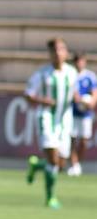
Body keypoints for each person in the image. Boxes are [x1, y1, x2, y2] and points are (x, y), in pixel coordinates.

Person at [24, 37, 80, 209]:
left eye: (61, 49)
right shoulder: (42, 74)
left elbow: (74, 94)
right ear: (49, 54)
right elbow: (28, 95)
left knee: (60, 164)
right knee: (54, 161)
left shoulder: (72, 72)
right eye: (54, 50)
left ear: (66, 52)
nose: (58, 53)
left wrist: (83, 101)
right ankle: (50, 198)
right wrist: (42, 100)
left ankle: (36, 165)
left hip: (64, 120)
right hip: (46, 118)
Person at [68, 50, 95, 177]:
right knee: (72, 139)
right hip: (72, 112)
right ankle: (74, 165)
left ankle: (77, 163)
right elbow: (71, 92)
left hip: (86, 114)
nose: (79, 63)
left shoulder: (90, 76)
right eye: (77, 61)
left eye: (81, 61)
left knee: (84, 141)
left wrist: (91, 103)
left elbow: (95, 93)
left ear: (84, 62)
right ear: (74, 62)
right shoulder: (70, 75)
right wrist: (76, 98)